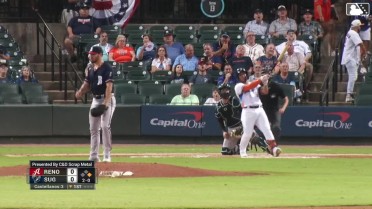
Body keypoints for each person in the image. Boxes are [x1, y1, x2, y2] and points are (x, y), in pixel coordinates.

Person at [75, 46, 116, 162]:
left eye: (93, 54)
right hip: (95, 99)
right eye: (90, 54)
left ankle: (107, 154)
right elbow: (87, 84)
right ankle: (94, 155)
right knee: (93, 128)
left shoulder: (107, 68)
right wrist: (80, 92)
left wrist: (105, 103)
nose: (91, 56)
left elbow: (109, 87)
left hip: (107, 98)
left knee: (105, 126)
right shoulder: (91, 68)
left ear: (99, 54)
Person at [234, 70, 281, 158]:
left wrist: (265, 83)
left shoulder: (254, 84)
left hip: (259, 109)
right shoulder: (238, 86)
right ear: (238, 77)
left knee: (267, 129)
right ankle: (242, 150)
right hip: (247, 111)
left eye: (244, 74)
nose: (243, 75)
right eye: (240, 75)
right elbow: (247, 88)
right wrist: (260, 79)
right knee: (247, 133)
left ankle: (274, 148)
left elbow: (265, 92)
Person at [255, 62, 289, 142]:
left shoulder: (275, 86)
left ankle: (274, 145)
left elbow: (286, 99)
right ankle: (262, 143)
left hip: (274, 111)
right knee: (260, 129)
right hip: (262, 110)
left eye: (265, 75)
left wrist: (283, 108)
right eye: (262, 75)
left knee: (276, 127)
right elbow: (265, 91)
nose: (263, 77)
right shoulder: (258, 86)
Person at [341, 19, 366, 103]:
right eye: (359, 26)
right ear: (356, 26)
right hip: (350, 58)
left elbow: (358, 47)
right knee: (353, 76)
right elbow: (360, 44)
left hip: (352, 58)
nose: (360, 27)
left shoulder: (350, 32)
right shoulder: (353, 33)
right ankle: (348, 95)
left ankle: (350, 94)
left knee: (355, 76)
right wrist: (365, 52)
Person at [215, 84, 241, 155]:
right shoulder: (218, 106)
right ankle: (236, 148)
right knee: (225, 151)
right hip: (230, 129)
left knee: (247, 134)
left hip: (240, 126)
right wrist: (224, 131)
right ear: (220, 92)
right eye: (223, 90)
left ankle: (242, 144)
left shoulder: (234, 100)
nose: (225, 92)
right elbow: (220, 120)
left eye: (227, 90)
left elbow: (243, 111)